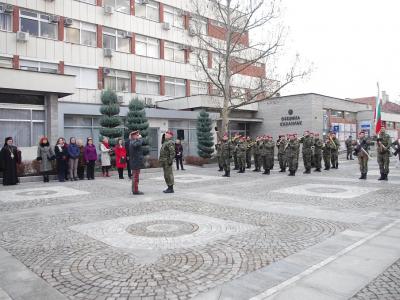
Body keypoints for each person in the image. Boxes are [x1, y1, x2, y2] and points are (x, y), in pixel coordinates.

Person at [129, 131, 145, 195]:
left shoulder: (133, 142)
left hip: (135, 162)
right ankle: (135, 190)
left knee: (134, 177)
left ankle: (134, 189)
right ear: (134, 136)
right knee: (135, 177)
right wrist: (140, 138)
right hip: (135, 162)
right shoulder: (134, 142)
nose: (139, 136)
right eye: (137, 135)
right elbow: (138, 143)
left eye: (139, 135)